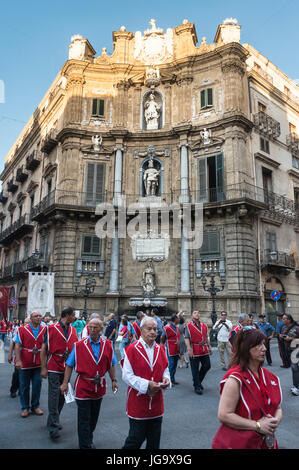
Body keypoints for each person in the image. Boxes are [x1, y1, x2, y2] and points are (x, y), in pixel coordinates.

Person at [212, 328, 282, 449]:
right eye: (258, 345)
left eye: (264, 344)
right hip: (241, 443)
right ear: (246, 348)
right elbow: (224, 415)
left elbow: (278, 407)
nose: (264, 349)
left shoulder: (271, 378)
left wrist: (273, 422)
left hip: (266, 442)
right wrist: (258, 425)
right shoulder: (235, 379)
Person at [60, 317, 118, 449]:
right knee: (84, 418)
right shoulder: (79, 345)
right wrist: (65, 383)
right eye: (90, 327)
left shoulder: (107, 345)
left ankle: (88, 437)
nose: (92, 330)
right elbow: (69, 365)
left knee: (93, 417)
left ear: (101, 329)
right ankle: (85, 445)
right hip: (83, 386)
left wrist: (114, 380)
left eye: (95, 327)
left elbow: (111, 364)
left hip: (99, 387)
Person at [122, 316, 170, 449]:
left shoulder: (161, 349)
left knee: (154, 443)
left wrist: (167, 379)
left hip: (156, 404)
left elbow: (165, 369)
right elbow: (126, 376)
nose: (153, 332)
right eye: (149, 329)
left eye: (155, 329)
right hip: (138, 404)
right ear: (141, 330)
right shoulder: (131, 349)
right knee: (135, 440)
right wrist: (146, 384)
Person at [40, 306, 78, 440]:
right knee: (54, 395)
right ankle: (54, 427)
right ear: (67, 315)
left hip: (67, 367)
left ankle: (53, 420)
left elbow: (75, 350)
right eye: (73, 315)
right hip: (54, 365)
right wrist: (43, 367)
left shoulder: (73, 330)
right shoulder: (50, 329)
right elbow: (43, 349)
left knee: (63, 395)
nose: (75, 317)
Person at [14, 311, 46, 418]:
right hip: (25, 362)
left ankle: (35, 406)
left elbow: (47, 346)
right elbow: (17, 346)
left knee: (37, 384)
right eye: (35, 316)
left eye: (39, 316)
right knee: (24, 386)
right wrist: (18, 360)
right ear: (30, 318)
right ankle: (25, 407)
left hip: (38, 363)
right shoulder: (22, 329)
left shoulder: (45, 329)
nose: (38, 317)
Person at [184, 310, 212, 395]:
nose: (197, 314)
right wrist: (189, 349)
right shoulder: (188, 326)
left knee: (207, 365)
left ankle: (197, 381)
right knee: (194, 369)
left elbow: (206, 337)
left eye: (198, 313)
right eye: (195, 313)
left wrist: (209, 347)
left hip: (203, 349)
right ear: (192, 316)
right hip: (194, 348)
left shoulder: (204, 325)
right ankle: (197, 386)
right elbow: (186, 338)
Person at [7, 318, 31, 398]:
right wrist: (10, 355)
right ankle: (13, 390)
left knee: (26, 376)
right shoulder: (19, 331)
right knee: (17, 375)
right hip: (19, 357)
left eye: (29, 323)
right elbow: (12, 344)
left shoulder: (33, 332)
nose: (27, 324)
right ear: (23, 323)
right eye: (26, 323)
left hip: (28, 358)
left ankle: (22, 390)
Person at [280, 314, 299, 396]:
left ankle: (296, 387)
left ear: (289, 320)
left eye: (284, 319)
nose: (282, 320)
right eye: (282, 319)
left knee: (294, 367)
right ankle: (296, 385)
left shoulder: (297, 328)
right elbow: (281, 335)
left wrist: (291, 339)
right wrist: (281, 336)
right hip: (288, 350)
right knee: (295, 368)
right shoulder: (284, 328)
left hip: (296, 350)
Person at [161, 313, 180, 385]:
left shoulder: (176, 327)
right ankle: (168, 379)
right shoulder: (167, 327)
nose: (179, 319)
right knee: (171, 364)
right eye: (178, 318)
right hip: (170, 348)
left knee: (175, 364)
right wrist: (163, 344)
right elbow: (162, 337)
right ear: (175, 319)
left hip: (176, 348)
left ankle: (172, 379)